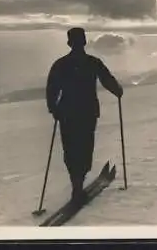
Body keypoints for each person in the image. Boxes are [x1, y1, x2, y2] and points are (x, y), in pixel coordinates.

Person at [46, 27, 123, 202]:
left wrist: (54, 108)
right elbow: (107, 79)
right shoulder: (92, 62)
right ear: (84, 42)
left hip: (67, 113)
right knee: (85, 148)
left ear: (69, 43)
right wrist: (117, 90)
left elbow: (52, 89)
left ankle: (77, 186)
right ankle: (78, 187)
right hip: (87, 113)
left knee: (71, 150)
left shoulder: (61, 64)